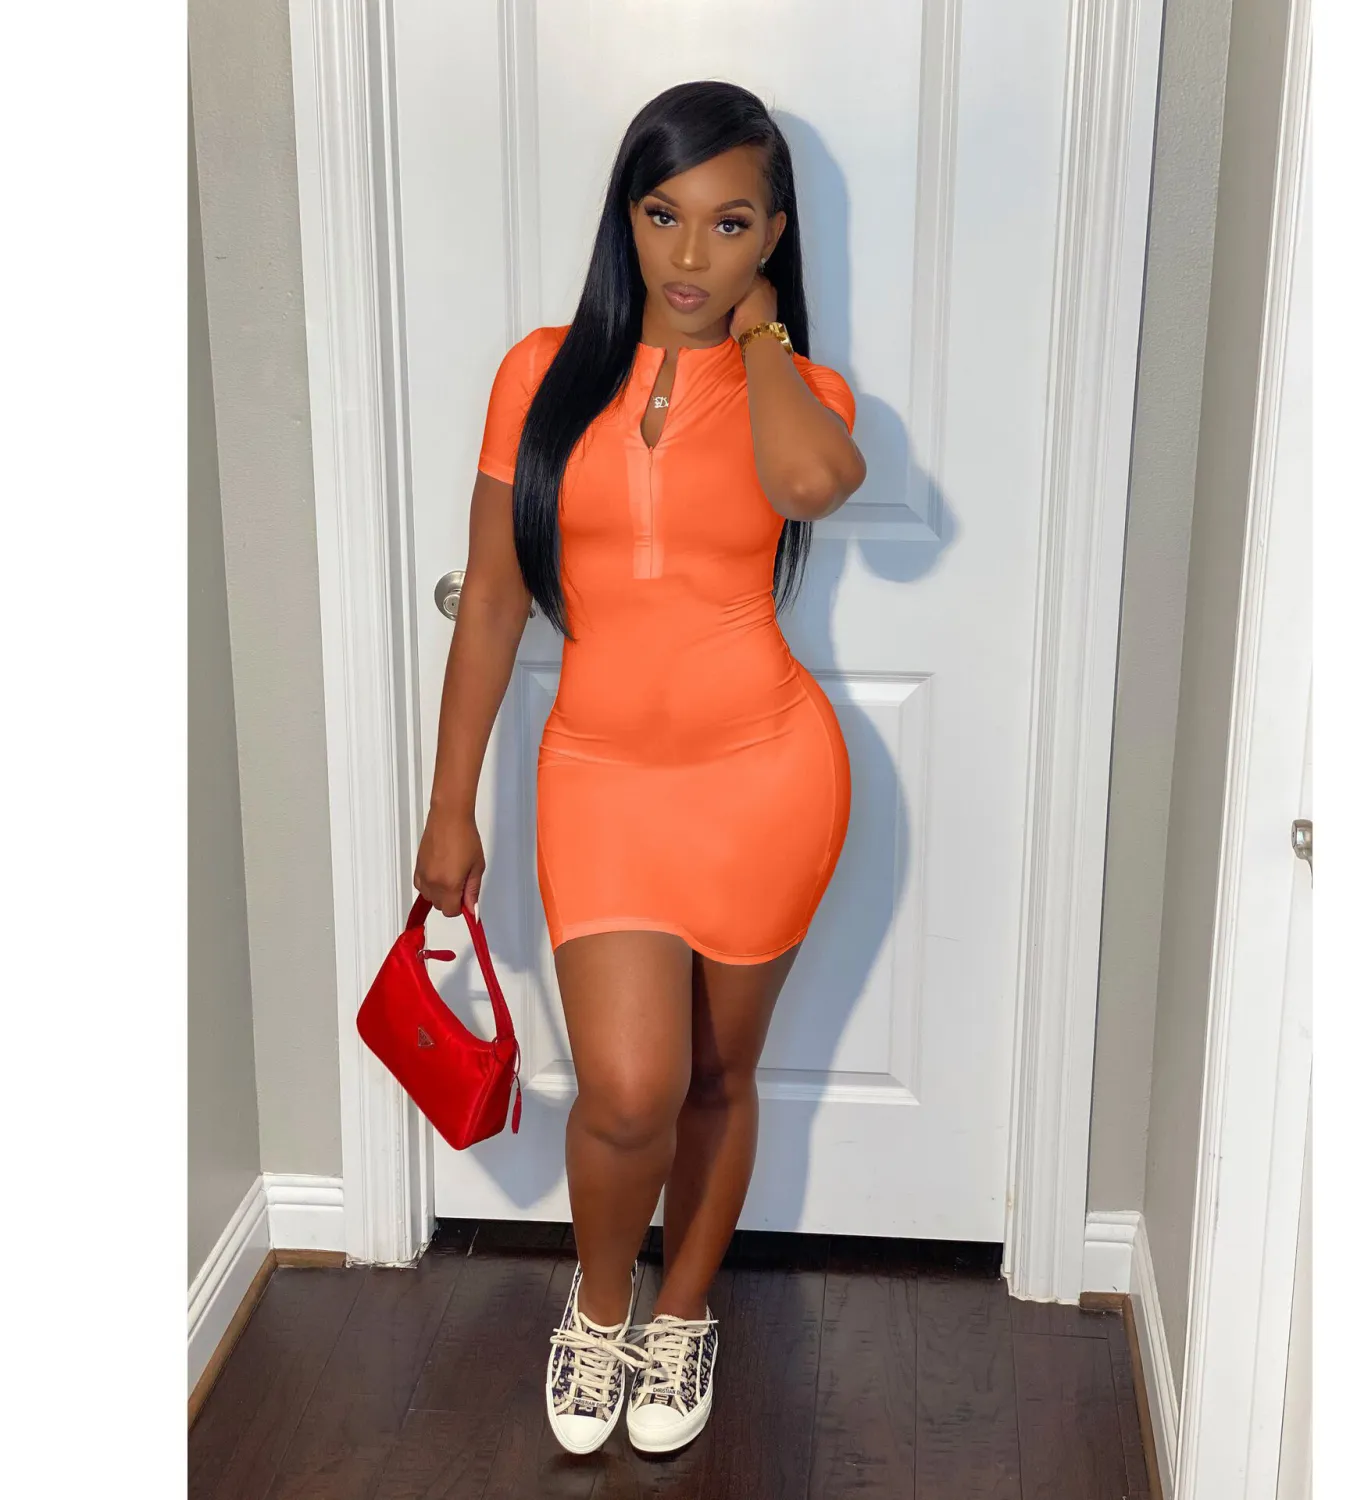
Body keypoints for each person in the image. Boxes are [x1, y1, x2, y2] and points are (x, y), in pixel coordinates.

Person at [413, 79, 866, 1458]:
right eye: (663, 214)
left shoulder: (803, 390)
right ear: (625, 215)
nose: (689, 254)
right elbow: (494, 601)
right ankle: (600, 1307)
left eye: (730, 224)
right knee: (625, 1088)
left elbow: (810, 485)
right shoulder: (539, 374)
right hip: (602, 778)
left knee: (720, 1078)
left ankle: (682, 1313)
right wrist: (448, 804)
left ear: (773, 237)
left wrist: (763, 336)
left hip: (768, 778)